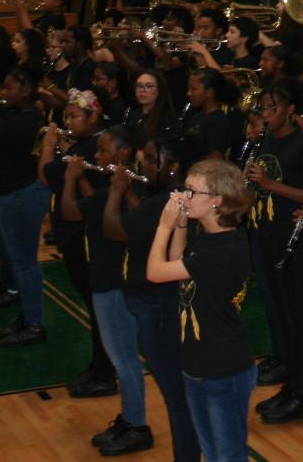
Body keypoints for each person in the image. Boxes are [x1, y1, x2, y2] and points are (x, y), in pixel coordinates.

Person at [146, 159, 258, 462]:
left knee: (229, 455)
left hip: (224, 370)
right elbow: (176, 259)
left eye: (192, 191)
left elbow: (156, 272)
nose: (184, 196)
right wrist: (181, 224)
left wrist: (164, 225)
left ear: (216, 202)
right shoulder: (207, 235)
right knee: (210, 452)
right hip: (196, 365)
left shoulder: (224, 249)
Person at [106, 132, 203, 462]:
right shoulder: (161, 196)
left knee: (177, 396)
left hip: (158, 304)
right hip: (153, 303)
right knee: (177, 394)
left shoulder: (169, 199)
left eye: (150, 159)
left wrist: (117, 191)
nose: (143, 164)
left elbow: (115, 229)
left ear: (172, 166)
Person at [61, 124, 155, 456]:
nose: (96, 156)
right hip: (111, 280)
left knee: (124, 359)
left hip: (112, 283)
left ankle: (137, 425)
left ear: (123, 154)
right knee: (123, 357)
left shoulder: (124, 191)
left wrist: (71, 177)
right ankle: (131, 418)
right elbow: (98, 210)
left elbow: (70, 211)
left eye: (103, 150)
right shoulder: (116, 190)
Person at [243, 79, 303, 423]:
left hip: (289, 238)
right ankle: (289, 386)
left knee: (295, 317)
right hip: (262, 234)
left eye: (271, 108)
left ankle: (301, 393)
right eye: (261, 108)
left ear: (289, 110)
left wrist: (271, 185)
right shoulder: (260, 142)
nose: (265, 114)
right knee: (278, 312)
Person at [38, 89, 118, 398]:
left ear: (93, 118)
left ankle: (104, 369)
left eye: (73, 116)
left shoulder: (87, 151)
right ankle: (100, 364)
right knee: (94, 305)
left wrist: (48, 147)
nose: (67, 122)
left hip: (85, 239)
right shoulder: (83, 146)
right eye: (66, 116)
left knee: (98, 306)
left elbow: (45, 175)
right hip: (75, 237)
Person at [0, 65, 51, 345]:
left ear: (26, 90)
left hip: (18, 197)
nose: (4, 93)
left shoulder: (19, 123)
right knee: (22, 260)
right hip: (21, 193)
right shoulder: (28, 117)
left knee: (25, 263)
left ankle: (35, 323)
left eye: (10, 88)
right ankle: (28, 315)